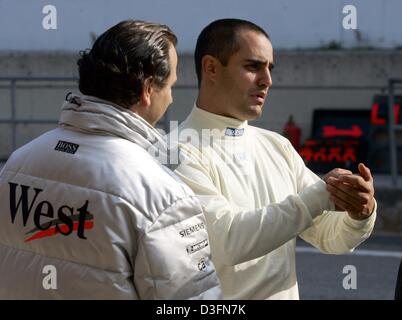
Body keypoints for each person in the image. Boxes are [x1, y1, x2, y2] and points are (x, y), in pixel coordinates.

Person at [0, 20, 221, 299]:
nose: (172, 99)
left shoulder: (18, 164)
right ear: (147, 89)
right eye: (171, 87)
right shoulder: (162, 195)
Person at [171, 18, 377, 299]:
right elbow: (227, 241)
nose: (267, 80)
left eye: (270, 68)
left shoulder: (277, 146)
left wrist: (359, 212)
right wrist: (321, 195)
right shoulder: (174, 150)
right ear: (211, 68)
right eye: (253, 66)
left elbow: (330, 237)